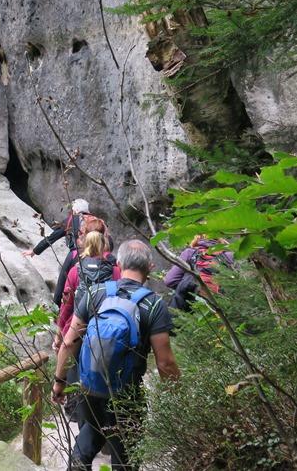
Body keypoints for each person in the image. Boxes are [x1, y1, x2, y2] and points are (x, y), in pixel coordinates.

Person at [52, 240, 180, 471]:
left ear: (119, 264)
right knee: (125, 457)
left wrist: (59, 382)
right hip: (127, 394)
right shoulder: (153, 305)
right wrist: (177, 401)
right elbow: (165, 362)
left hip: (89, 388)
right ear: (150, 267)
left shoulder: (96, 293)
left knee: (88, 439)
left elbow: (69, 342)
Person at [23, 199, 109, 307]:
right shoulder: (98, 222)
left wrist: (35, 251)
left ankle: (57, 309)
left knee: (62, 284)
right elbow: (109, 242)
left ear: (76, 210)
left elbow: (53, 236)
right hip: (99, 256)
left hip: (76, 254)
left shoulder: (71, 220)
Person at [163, 235, 236, 311]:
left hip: (191, 307)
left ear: (197, 237)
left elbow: (170, 280)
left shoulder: (190, 253)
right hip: (220, 305)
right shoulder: (229, 256)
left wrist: (191, 288)